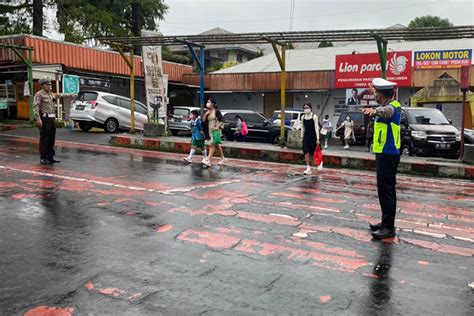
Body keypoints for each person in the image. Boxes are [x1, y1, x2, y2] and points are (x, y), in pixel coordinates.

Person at [362, 78, 401, 240]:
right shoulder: (386, 103)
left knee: (387, 191)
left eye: (376, 93)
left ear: (382, 94)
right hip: (384, 153)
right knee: (383, 191)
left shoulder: (393, 106)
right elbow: (384, 107)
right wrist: (373, 91)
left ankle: (388, 227)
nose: (374, 95)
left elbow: (388, 111)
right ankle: (385, 222)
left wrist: (375, 111)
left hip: (389, 154)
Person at [33, 77, 76, 165]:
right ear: (42, 85)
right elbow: (36, 107)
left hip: (52, 119)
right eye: (47, 84)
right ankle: (43, 157)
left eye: (50, 84)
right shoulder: (39, 94)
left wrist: (70, 94)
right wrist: (38, 119)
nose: (49, 86)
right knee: (44, 139)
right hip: (44, 118)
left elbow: (60, 95)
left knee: (51, 138)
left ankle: (50, 156)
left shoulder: (51, 94)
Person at [202, 98, 226, 167]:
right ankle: (223, 159)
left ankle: (208, 160)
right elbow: (203, 121)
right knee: (216, 145)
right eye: (207, 102)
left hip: (216, 130)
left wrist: (217, 127)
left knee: (212, 144)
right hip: (210, 130)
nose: (207, 103)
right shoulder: (208, 111)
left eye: (209, 102)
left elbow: (222, 120)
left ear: (212, 104)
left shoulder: (216, 111)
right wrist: (206, 114)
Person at [300, 103, 320, 175]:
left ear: (311, 108)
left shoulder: (314, 116)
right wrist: (301, 137)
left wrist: (318, 139)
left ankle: (318, 163)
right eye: (304, 108)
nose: (306, 109)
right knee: (306, 151)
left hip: (313, 136)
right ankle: (308, 167)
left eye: (307, 107)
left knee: (314, 151)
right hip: (306, 136)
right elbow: (302, 127)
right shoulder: (303, 117)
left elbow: (316, 127)